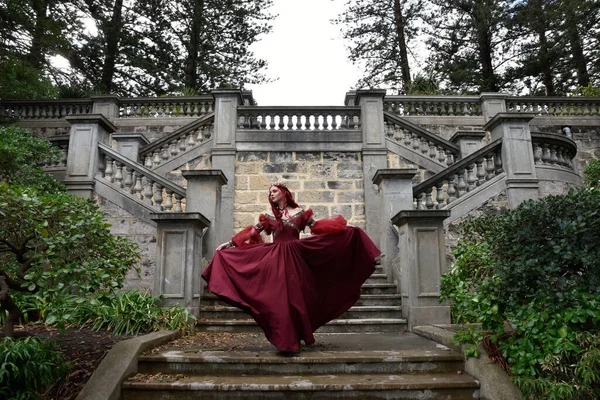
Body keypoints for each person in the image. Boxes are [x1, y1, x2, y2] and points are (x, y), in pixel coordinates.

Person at [202, 183, 381, 355]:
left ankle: (296, 335)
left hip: (296, 258)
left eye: (274, 191)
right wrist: (230, 244)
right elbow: (253, 232)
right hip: (276, 259)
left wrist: (343, 231)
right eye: (270, 192)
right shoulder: (268, 216)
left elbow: (317, 228)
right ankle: (286, 341)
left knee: (297, 299)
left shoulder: (300, 213)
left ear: (283, 193)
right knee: (280, 300)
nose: (271, 194)